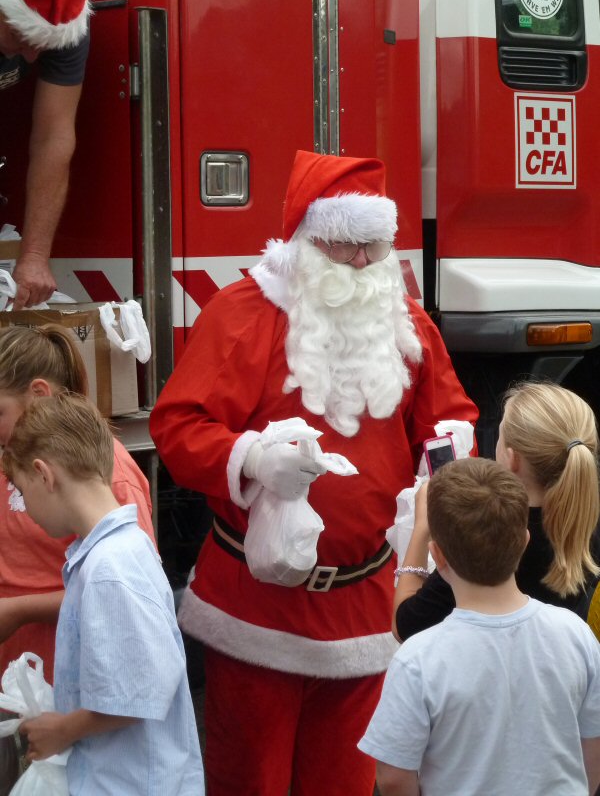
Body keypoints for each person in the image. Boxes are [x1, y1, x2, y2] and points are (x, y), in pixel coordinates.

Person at [150, 149, 479, 795]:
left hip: (366, 609)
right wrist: (254, 459)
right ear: (304, 237)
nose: (361, 263)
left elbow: (448, 420)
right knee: (251, 781)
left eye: (374, 248)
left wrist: (444, 462)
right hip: (257, 610)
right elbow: (178, 427)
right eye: (344, 246)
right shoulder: (244, 313)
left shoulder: (408, 324)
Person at [359, 457, 600, 796]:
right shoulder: (577, 634)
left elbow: (394, 777)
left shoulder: (417, 659)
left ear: (438, 556)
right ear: (525, 539)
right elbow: (593, 745)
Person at [2, 393, 205, 795]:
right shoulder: (116, 551)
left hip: (131, 783)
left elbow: (144, 689)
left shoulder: (110, 568)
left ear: (45, 475)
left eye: (22, 493)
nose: (28, 509)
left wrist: (62, 729)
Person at [0, 324, 154, 681]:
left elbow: (129, 588)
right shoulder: (12, 453)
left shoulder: (105, 471)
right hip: (20, 675)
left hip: (72, 677)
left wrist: (19, 611)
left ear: (38, 393)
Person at [393, 381, 600, 642]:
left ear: (512, 459)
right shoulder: (585, 520)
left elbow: (405, 626)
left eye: (500, 435)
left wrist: (423, 527)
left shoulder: (490, 532)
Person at [0, 0, 90, 309]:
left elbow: (53, 138)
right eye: (20, 37)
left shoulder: (65, 27)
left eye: (43, 45)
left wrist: (35, 256)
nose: (30, 54)